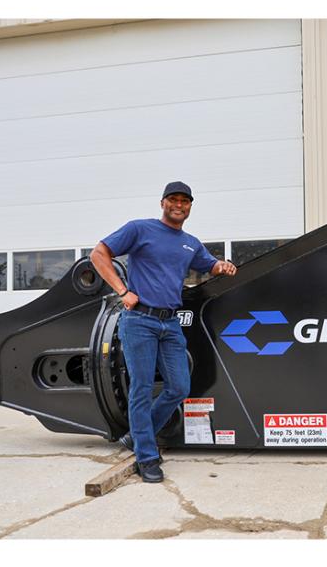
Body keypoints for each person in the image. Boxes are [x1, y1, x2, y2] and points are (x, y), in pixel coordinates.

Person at [90, 181, 237, 482]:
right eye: (173, 199)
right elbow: (98, 254)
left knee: (179, 387)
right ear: (162, 203)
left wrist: (222, 265)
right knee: (141, 388)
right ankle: (147, 457)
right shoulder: (139, 229)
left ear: (190, 207)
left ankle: (139, 435)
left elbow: (209, 265)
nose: (179, 205)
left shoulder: (190, 243)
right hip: (139, 320)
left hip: (170, 323)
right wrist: (122, 290)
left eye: (185, 201)